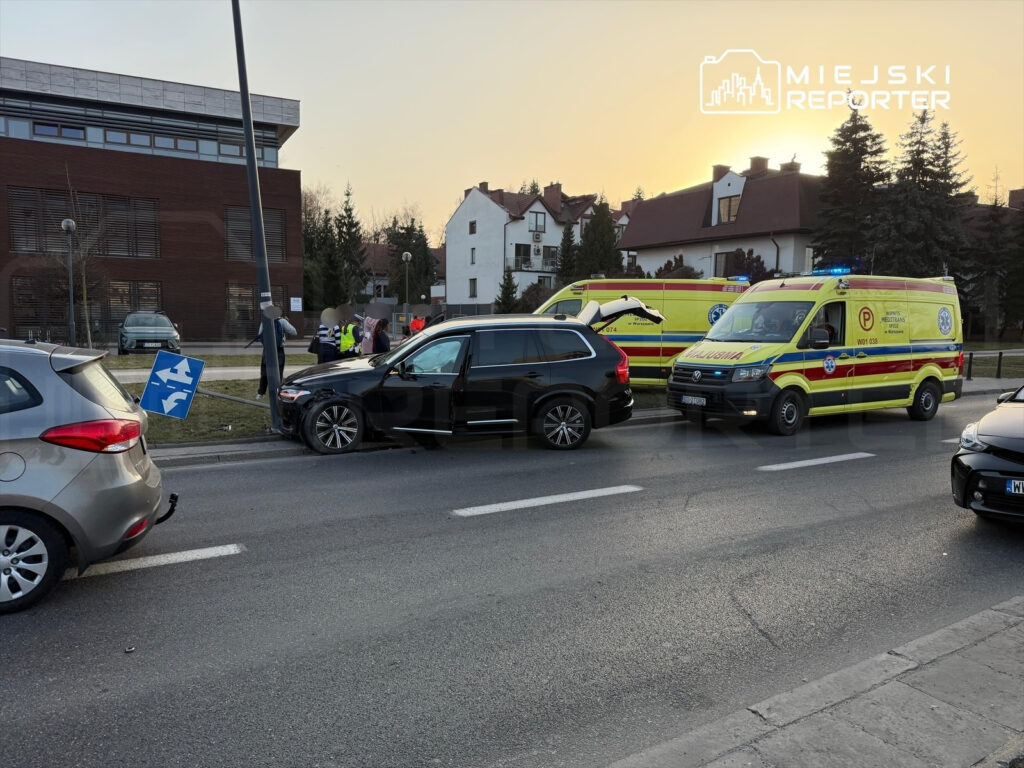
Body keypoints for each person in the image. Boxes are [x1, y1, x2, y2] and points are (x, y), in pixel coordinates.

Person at [256, 315, 297, 399]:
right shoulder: (282, 321)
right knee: (278, 372)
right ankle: (277, 392)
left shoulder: (264, 321)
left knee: (264, 372)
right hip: (279, 350)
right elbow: (294, 332)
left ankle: (261, 393)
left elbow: (259, 335)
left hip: (267, 350)